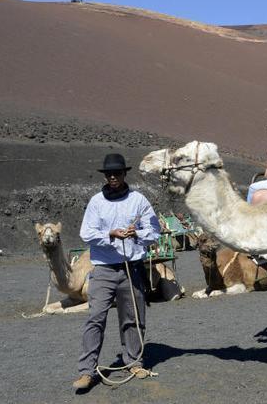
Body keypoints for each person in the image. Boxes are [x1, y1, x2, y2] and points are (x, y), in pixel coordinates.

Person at [73, 154, 161, 390]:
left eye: (117, 173)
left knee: (133, 317)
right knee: (96, 317)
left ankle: (134, 361)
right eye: (109, 174)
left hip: (131, 268)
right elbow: (86, 233)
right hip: (103, 269)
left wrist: (137, 234)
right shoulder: (96, 202)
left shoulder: (139, 200)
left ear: (124, 174)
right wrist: (110, 234)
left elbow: (154, 230)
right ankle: (87, 371)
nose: (113, 177)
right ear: (105, 176)